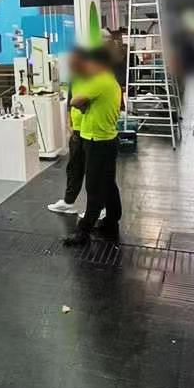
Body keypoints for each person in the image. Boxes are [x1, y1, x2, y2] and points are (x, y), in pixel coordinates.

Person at [63, 47, 123, 246]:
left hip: (97, 141)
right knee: (108, 183)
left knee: (94, 187)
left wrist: (81, 104)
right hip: (107, 139)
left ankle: (83, 231)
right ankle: (111, 221)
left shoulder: (100, 81)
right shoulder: (110, 80)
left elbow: (75, 100)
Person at [47, 48, 86, 215]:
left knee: (94, 172)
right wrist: (69, 122)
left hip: (91, 131)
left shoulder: (92, 79)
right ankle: (68, 202)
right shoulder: (75, 78)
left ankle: (100, 207)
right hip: (77, 130)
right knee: (74, 168)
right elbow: (71, 101)